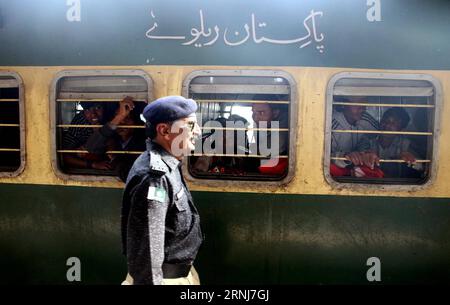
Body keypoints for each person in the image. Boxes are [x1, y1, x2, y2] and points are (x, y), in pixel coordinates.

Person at [121, 95, 203, 285]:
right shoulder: (154, 178)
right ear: (164, 130)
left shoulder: (169, 164)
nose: (197, 131)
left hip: (180, 274)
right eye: (190, 125)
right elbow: (147, 253)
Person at [62, 97, 136, 170]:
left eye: (98, 107)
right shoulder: (80, 122)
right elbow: (64, 155)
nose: (93, 114)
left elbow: (114, 144)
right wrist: (92, 164)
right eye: (87, 110)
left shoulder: (111, 118)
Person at [85, 103, 146, 182]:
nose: (122, 123)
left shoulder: (143, 142)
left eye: (128, 118)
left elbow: (130, 176)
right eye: (119, 118)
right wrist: (119, 117)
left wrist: (114, 157)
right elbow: (91, 147)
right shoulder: (112, 138)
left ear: (136, 121)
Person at [358, 107, 423, 178]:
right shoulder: (368, 140)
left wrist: (409, 160)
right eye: (385, 121)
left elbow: (421, 167)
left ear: (401, 129)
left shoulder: (406, 145)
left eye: (393, 123)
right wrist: (367, 156)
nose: (387, 125)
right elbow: (359, 159)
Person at [330, 96, 379, 176]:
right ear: (343, 104)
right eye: (357, 104)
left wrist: (366, 152)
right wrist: (345, 157)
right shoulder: (331, 124)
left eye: (364, 105)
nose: (362, 109)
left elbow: (382, 133)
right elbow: (322, 157)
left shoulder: (364, 119)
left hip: (355, 171)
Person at [250, 102, 289, 175]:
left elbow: (275, 149)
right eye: (253, 112)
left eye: (261, 112)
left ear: (275, 113)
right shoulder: (264, 123)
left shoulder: (286, 123)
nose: (255, 117)